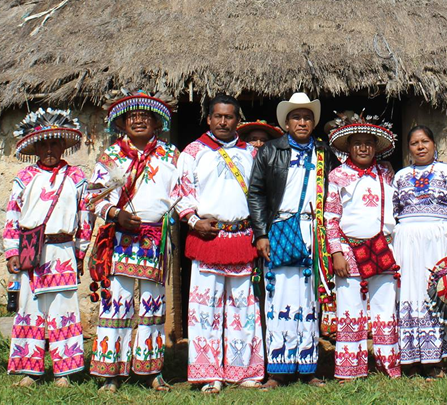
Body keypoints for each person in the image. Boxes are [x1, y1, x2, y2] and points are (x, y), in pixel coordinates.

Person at [172, 94, 264, 393]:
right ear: (209, 119)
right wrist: (193, 221)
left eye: (229, 117)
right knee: (205, 309)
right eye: (218, 116)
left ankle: (244, 371)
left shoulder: (250, 153)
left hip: (242, 237)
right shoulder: (193, 152)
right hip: (208, 236)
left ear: (238, 120)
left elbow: (260, 195)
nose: (223, 121)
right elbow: (180, 192)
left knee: (243, 308)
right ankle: (208, 373)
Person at [89, 93, 180, 392]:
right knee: (117, 301)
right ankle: (110, 374)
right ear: (122, 123)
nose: (138, 120)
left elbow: (180, 194)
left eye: (145, 115)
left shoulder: (171, 155)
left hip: (155, 238)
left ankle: (151, 371)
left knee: (154, 303)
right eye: (131, 116)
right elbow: (93, 198)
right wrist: (115, 214)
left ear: (156, 121)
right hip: (121, 237)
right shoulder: (110, 156)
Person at [246, 93, 331, 388]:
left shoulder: (322, 153)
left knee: (309, 299)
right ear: (286, 122)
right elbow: (255, 192)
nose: (302, 122)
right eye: (296, 117)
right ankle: (277, 371)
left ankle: (308, 369)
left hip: (311, 231)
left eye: (307, 117)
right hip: (280, 229)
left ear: (313, 122)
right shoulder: (270, 151)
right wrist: (261, 233)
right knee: (278, 297)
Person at [2, 109, 90, 387]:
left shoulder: (76, 177)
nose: (49, 149)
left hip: (62, 250)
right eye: (43, 144)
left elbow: (84, 218)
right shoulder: (24, 177)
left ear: (63, 145)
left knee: (63, 310)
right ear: (35, 147)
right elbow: (12, 215)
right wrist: (11, 251)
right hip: (31, 252)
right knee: (30, 309)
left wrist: (80, 253)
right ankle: (30, 371)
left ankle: (64, 373)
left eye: (54, 143)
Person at [324, 112, 401, 381]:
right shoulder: (338, 175)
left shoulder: (387, 174)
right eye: (357, 142)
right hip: (349, 250)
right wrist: (336, 253)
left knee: (384, 308)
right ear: (348, 148)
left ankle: (388, 366)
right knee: (350, 309)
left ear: (376, 147)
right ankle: (351, 369)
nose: (363, 147)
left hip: (383, 248)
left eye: (368, 142)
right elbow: (331, 217)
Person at [392, 125, 447, 379]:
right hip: (408, 242)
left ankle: (437, 360)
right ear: (409, 148)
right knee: (411, 292)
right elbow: (393, 212)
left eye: (425, 141)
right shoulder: (401, 176)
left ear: (434, 144)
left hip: (439, 239)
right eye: (415, 143)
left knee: (438, 293)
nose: (421, 147)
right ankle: (412, 358)